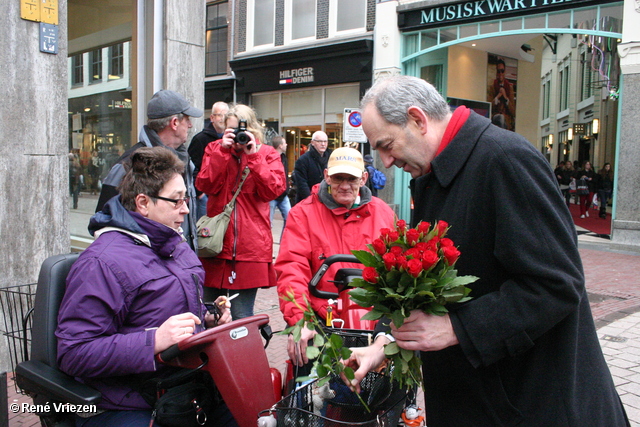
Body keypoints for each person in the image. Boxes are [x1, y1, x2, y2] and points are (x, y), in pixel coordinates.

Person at [345, 75, 629, 426]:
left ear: (418, 120)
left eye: (386, 145)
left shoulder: (505, 160)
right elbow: (433, 292)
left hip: (529, 406)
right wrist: (389, 341)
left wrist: (458, 328)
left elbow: (556, 284)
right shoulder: (434, 174)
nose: (386, 162)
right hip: (486, 401)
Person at [56, 147, 236, 427]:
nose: (186, 209)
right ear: (143, 203)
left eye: (185, 198)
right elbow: (74, 353)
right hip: (126, 401)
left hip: (183, 388)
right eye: (176, 201)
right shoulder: (102, 263)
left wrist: (209, 316)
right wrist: (152, 341)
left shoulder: (174, 245)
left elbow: (172, 308)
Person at [276, 146, 395, 368]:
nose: (345, 185)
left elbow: (397, 268)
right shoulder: (303, 213)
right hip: (324, 318)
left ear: (364, 178)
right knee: (309, 388)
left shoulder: (383, 213)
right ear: (327, 176)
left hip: (374, 317)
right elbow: (292, 268)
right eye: (338, 178)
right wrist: (301, 319)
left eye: (352, 178)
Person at [196, 104, 286, 320]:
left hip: (250, 248)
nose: (237, 137)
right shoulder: (214, 149)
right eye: (231, 131)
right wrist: (222, 152)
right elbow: (205, 185)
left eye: (240, 131)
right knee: (211, 312)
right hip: (215, 244)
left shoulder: (267, 153)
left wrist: (253, 157)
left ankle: (241, 354)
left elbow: (273, 190)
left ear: (252, 129)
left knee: (241, 314)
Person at [95, 89, 203, 251]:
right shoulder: (128, 164)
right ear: (174, 123)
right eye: (187, 119)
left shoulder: (186, 161)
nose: (190, 125)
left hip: (178, 259)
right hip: (145, 265)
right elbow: (104, 219)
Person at [189, 101, 230, 220]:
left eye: (225, 115)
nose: (222, 119)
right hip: (205, 195)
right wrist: (200, 193)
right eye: (219, 115)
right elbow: (192, 167)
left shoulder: (233, 139)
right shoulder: (200, 139)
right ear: (212, 118)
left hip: (224, 195)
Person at [293, 131, 332, 204]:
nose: (323, 144)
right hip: (309, 201)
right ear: (312, 142)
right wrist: (310, 200)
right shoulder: (303, 160)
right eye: (319, 141)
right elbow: (302, 184)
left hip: (327, 200)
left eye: (325, 141)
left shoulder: (331, 158)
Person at [269, 135, 291, 240]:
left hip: (283, 194)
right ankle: (267, 246)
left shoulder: (284, 158)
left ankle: (283, 245)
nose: (286, 145)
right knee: (268, 223)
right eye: (284, 143)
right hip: (272, 195)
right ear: (280, 145)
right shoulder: (270, 158)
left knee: (290, 219)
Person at [488, 58, 515, 131]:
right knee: (500, 118)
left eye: (502, 71)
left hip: (507, 120)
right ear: (496, 72)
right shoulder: (492, 86)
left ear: (505, 72)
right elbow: (489, 107)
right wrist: (497, 97)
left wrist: (505, 97)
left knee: (502, 118)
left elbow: (513, 111)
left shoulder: (509, 88)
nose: (500, 74)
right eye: (498, 71)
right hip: (495, 117)